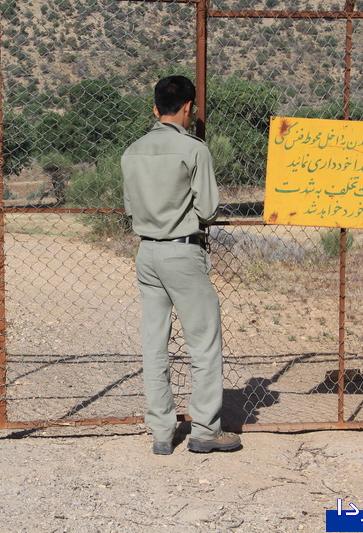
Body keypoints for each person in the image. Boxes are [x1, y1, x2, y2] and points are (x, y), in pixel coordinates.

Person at [121, 75, 241, 455]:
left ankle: (161, 431)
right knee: (203, 343)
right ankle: (205, 430)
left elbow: (130, 208)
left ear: (155, 108)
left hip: (147, 254)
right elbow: (207, 209)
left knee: (154, 342)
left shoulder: (132, 151)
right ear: (189, 108)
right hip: (182, 252)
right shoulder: (194, 149)